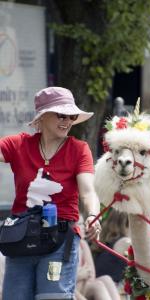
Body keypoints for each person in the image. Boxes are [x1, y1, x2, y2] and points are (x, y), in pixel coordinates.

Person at [0, 86, 101, 300]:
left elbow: (88, 192)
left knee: (52, 297)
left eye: (71, 116)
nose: (67, 121)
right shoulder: (19, 144)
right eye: (60, 115)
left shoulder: (79, 149)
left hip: (60, 239)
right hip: (21, 238)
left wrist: (92, 215)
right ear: (42, 116)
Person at [76, 214, 121, 300]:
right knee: (98, 286)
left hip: (84, 285)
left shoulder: (83, 244)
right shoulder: (64, 248)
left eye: (82, 224)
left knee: (106, 279)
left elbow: (91, 274)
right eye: (79, 224)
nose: (83, 227)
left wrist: (80, 274)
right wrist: (80, 275)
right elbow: (64, 280)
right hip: (72, 289)